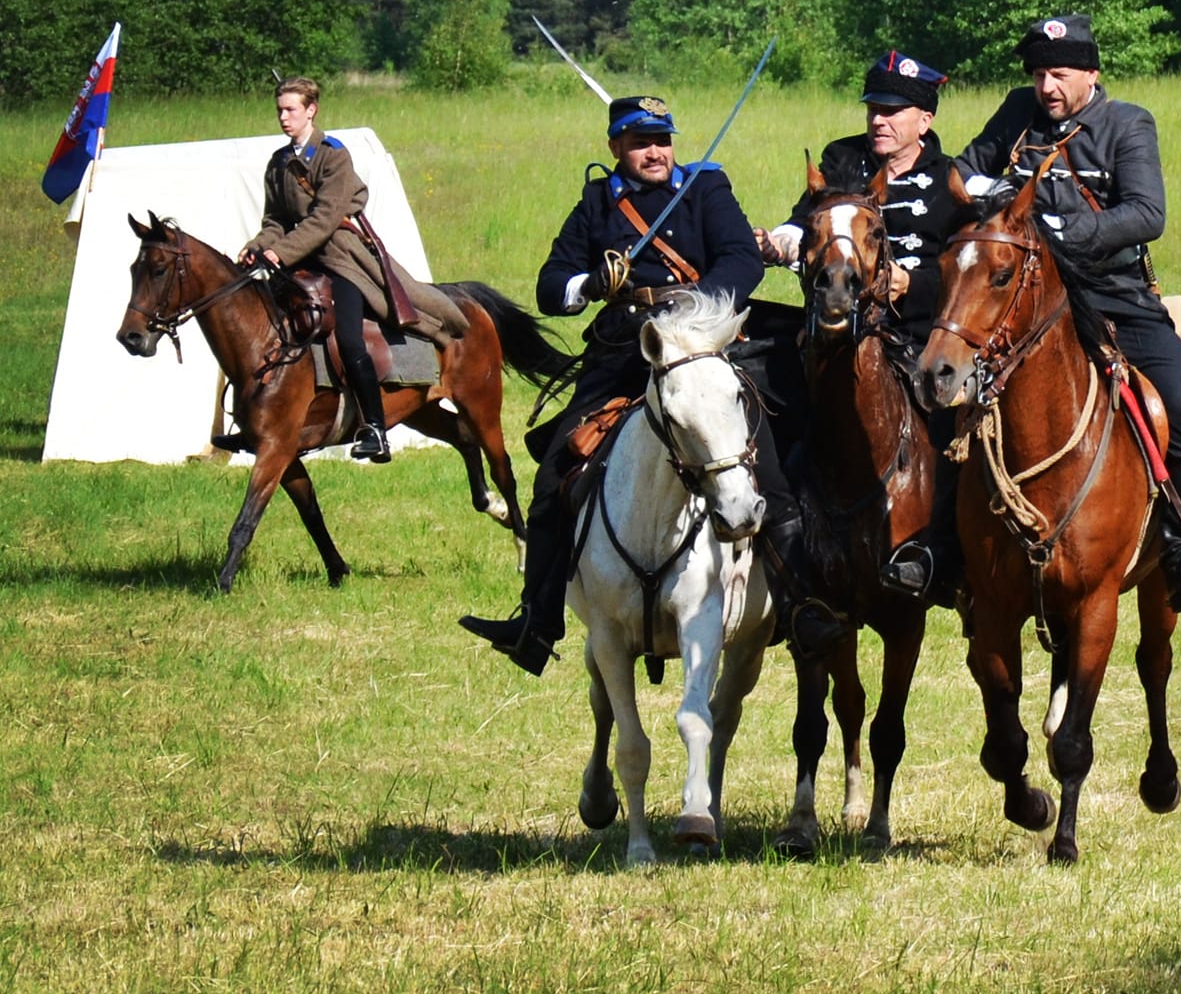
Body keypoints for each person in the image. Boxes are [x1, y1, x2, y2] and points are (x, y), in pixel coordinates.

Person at [459, 95, 844, 675]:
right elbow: (550, 285)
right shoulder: (597, 203)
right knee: (558, 472)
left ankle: (800, 604)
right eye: (640, 143)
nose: (655, 152)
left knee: (766, 460)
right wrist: (591, 283)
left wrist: (694, 316)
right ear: (616, 147)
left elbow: (740, 262)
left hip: (705, 342)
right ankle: (537, 622)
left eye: (662, 140)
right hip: (624, 348)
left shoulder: (707, 188)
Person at [952, 15, 1181, 611]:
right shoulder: (1016, 113)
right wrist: (997, 195)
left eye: (1059, 74)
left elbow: (1145, 213)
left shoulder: (1127, 124)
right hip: (1026, 295)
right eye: (1038, 75)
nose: (1047, 87)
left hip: (1111, 290)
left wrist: (1069, 229)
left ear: (1091, 73)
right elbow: (961, 170)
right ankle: (951, 545)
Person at [758, 50, 969, 603]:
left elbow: (962, 266)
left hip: (917, 332)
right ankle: (777, 538)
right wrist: (778, 239)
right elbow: (805, 218)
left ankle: (941, 551)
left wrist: (913, 285)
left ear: (924, 119)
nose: (879, 120)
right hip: (834, 330)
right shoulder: (841, 160)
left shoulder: (947, 179)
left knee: (954, 429)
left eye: (895, 111)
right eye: (875, 108)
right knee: (771, 402)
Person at [238, 76, 468, 462]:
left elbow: (325, 219)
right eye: (279, 110)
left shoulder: (333, 155)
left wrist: (282, 253)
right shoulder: (277, 163)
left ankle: (375, 428)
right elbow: (275, 220)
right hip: (298, 262)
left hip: (340, 258)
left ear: (311, 110)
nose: (283, 117)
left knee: (347, 337)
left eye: (290, 109)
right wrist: (258, 247)